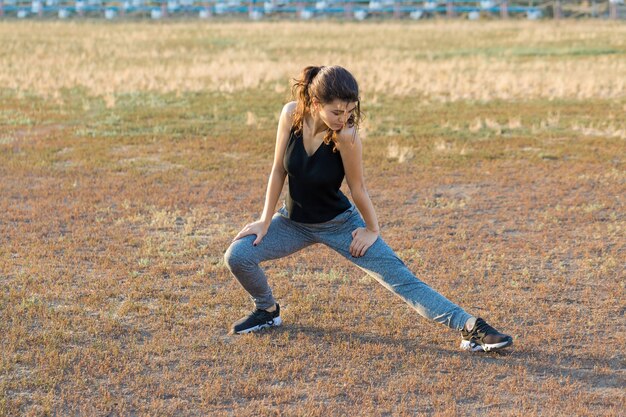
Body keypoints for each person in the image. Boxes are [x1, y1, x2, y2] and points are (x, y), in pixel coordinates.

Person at [224, 65, 513, 352]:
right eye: (337, 112)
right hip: (293, 222)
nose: (345, 118)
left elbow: (358, 188)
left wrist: (372, 229)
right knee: (238, 255)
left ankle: (471, 327)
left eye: (350, 111)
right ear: (315, 103)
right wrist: (264, 220)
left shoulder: (346, 137)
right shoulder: (291, 115)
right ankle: (267, 310)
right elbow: (277, 171)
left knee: (402, 280)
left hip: (340, 225)